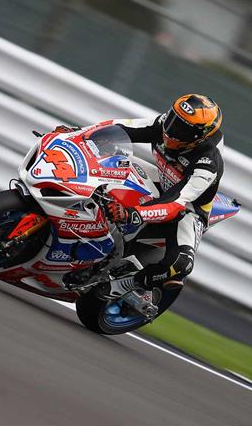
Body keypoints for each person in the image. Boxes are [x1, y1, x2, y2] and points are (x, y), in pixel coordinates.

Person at [92, 93, 225, 298]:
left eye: (183, 129)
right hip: (159, 180)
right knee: (107, 160)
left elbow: (176, 202)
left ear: (201, 136)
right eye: (173, 118)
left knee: (181, 264)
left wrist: (133, 214)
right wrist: (79, 134)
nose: (171, 130)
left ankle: (126, 284)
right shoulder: (164, 125)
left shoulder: (208, 164)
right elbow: (120, 127)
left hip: (187, 208)